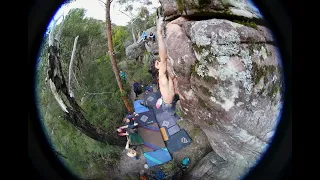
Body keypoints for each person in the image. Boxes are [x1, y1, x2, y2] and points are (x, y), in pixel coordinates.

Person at [154, 14, 186, 111]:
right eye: (159, 62)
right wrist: (159, 33)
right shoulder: (161, 75)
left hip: (167, 101)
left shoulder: (165, 76)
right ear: (157, 65)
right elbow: (163, 57)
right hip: (167, 104)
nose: (163, 62)